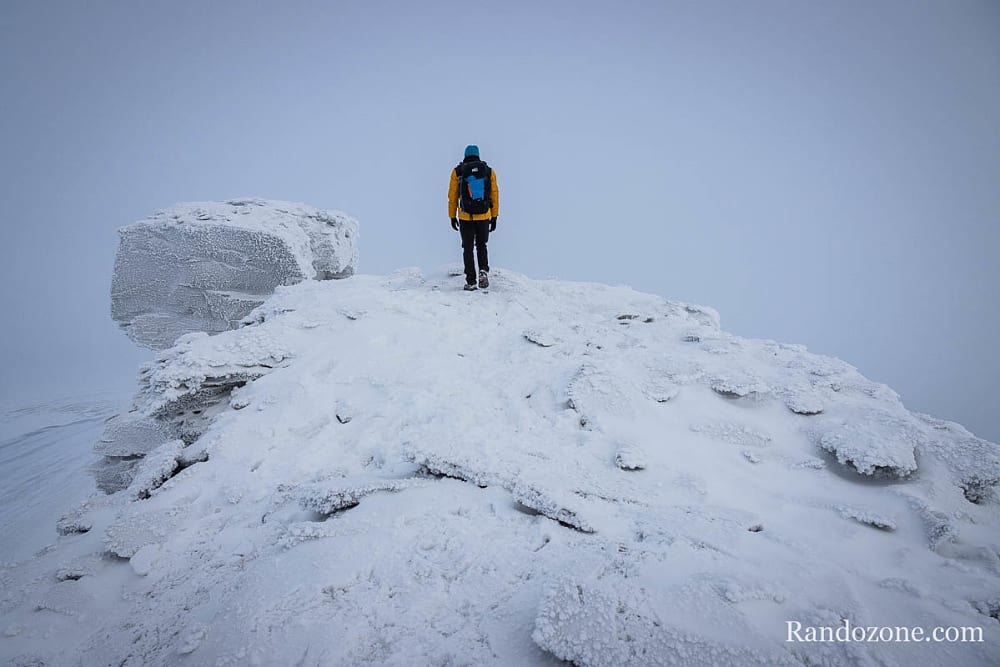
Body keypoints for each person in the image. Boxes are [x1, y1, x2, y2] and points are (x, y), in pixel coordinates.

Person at [448, 145, 499, 290]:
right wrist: (494, 216)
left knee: (468, 248)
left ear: (465, 155)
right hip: (484, 215)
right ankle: (483, 270)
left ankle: (471, 281)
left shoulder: (458, 171)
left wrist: (452, 216)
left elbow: (452, 196)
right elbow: (494, 194)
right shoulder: (488, 171)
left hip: (465, 217)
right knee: (482, 245)